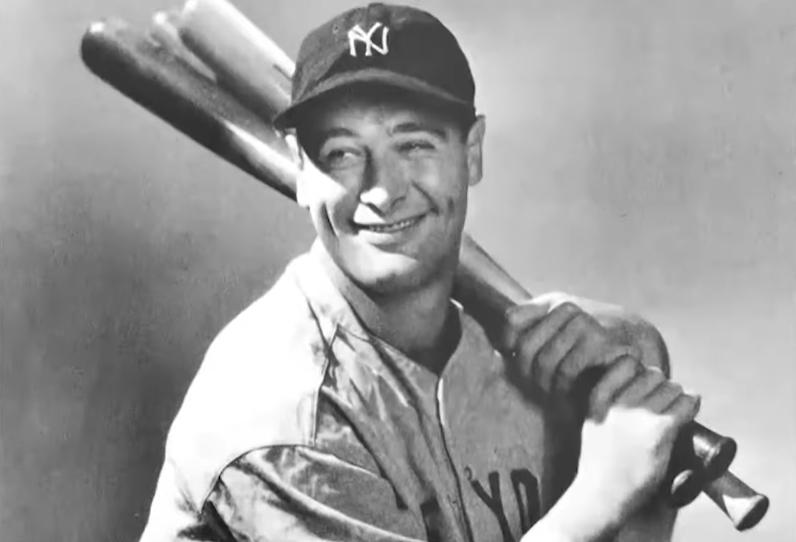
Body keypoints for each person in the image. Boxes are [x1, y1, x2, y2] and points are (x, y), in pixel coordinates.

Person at [140, 4, 700, 541]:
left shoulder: (501, 350)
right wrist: (601, 495)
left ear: (472, 153)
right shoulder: (282, 419)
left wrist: (629, 366)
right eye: (343, 153)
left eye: (414, 145)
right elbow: (602, 501)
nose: (384, 190)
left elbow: (627, 374)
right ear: (301, 168)